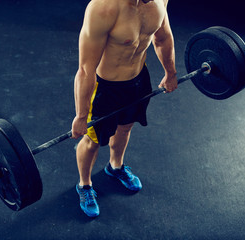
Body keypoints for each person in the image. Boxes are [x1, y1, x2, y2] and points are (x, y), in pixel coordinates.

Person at [71, 0, 178, 218]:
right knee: (92, 141)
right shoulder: (103, 8)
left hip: (138, 80)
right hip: (105, 89)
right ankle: (84, 185)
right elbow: (85, 69)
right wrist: (81, 115)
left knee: (125, 129)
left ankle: (115, 167)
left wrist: (171, 72)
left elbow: (163, 36)